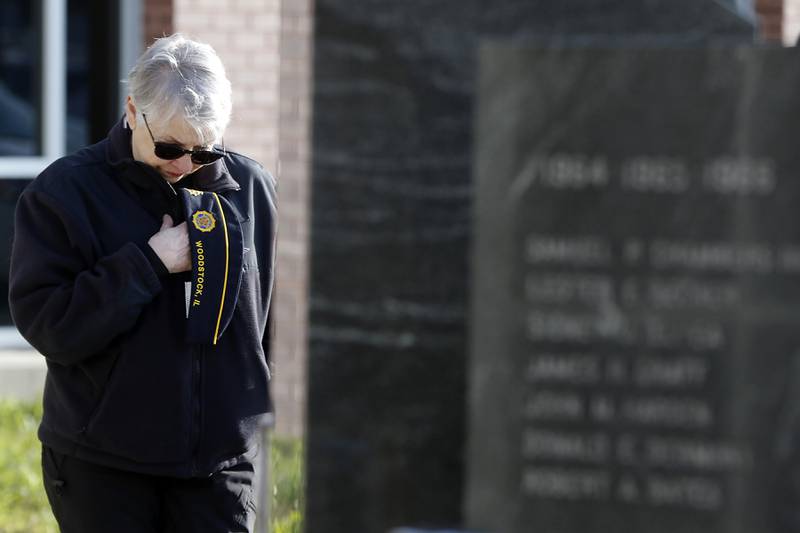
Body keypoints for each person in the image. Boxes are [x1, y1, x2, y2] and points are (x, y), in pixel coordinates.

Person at [8, 34, 277, 533]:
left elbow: (272, 320)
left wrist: (253, 410)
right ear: (133, 111)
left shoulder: (252, 188)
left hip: (223, 469)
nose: (184, 165)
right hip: (105, 467)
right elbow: (50, 327)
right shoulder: (64, 194)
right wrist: (148, 263)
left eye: (203, 150)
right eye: (170, 147)